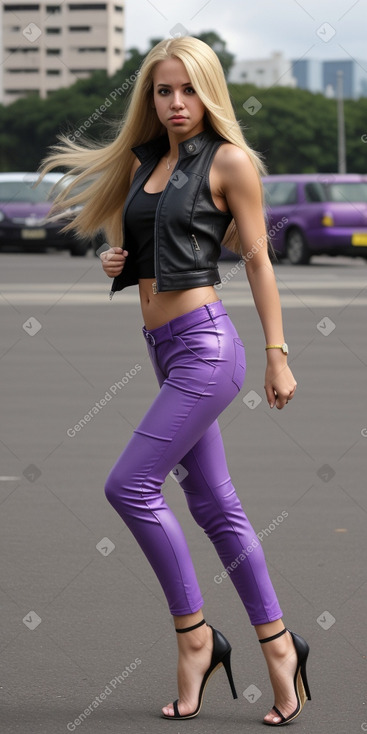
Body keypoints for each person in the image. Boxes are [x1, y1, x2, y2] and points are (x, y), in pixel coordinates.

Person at [39, 36, 311, 726]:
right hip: (163, 346)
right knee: (216, 508)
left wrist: (277, 353)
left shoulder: (230, 162)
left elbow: (256, 262)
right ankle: (279, 648)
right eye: (163, 90)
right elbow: (161, 245)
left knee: (128, 485)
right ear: (150, 98)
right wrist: (119, 262)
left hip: (208, 349)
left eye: (188, 89)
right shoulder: (147, 163)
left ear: (208, 91)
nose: (176, 102)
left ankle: (195, 638)